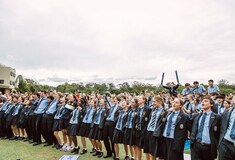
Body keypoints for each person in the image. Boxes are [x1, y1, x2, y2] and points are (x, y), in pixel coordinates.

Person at [190, 95, 221, 160]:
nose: (203, 102)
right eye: (202, 101)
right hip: (196, 145)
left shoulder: (217, 117)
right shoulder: (197, 116)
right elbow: (190, 126)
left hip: (208, 147)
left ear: (211, 104)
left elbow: (220, 132)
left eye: (206, 101)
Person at [103, 92, 122, 158]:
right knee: (105, 138)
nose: (114, 100)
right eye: (113, 99)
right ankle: (109, 152)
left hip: (112, 123)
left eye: (115, 99)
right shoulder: (111, 107)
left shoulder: (120, 108)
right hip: (107, 122)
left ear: (118, 101)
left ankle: (114, 153)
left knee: (112, 139)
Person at [135, 96, 151, 160]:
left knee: (146, 148)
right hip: (138, 130)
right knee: (138, 147)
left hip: (144, 131)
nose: (138, 100)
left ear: (144, 100)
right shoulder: (137, 108)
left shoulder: (148, 109)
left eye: (140, 98)